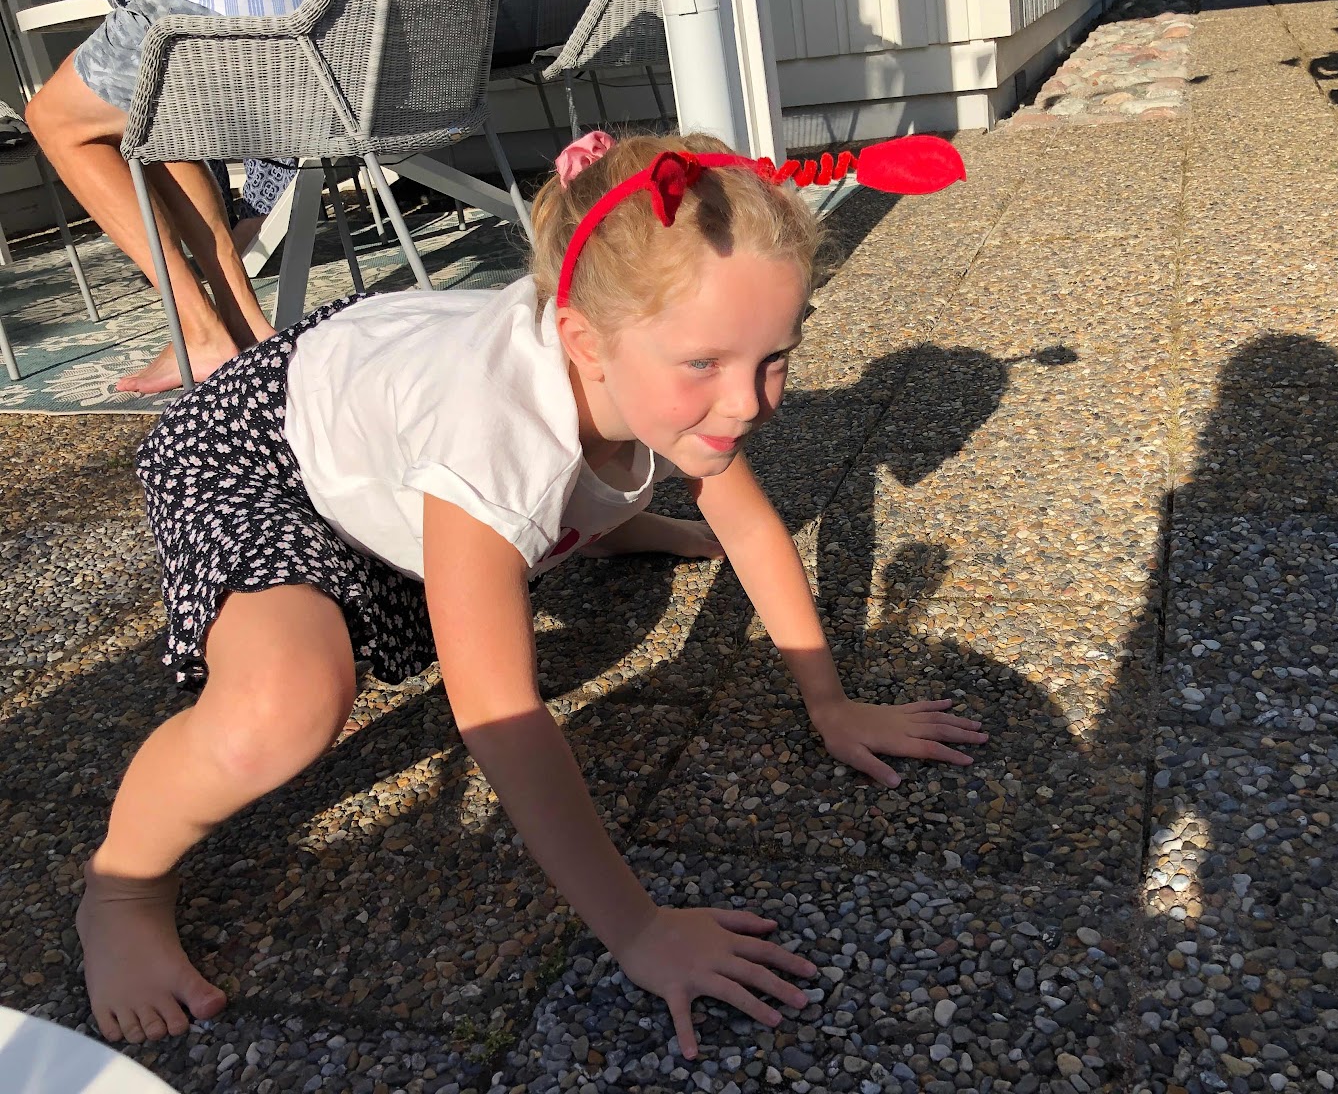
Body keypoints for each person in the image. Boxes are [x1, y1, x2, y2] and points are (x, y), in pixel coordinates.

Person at [76, 130, 986, 1056]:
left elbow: (752, 526)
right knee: (286, 705)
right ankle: (119, 887)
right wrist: (637, 930)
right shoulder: (494, 441)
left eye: (775, 356)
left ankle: (599, 516)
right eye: (706, 363)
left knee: (620, 477)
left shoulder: (654, 359)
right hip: (262, 449)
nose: (750, 402)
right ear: (585, 342)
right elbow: (498, 715)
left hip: (388, 391)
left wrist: (832, 704)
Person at [24, 0, 341, 394]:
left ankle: (198, 333)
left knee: (56, 120)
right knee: (140, 113)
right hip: (340, 17)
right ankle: (243, 323)